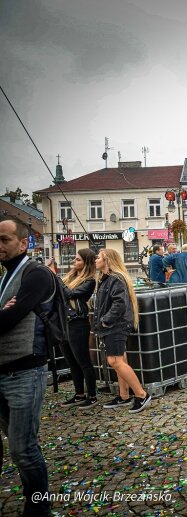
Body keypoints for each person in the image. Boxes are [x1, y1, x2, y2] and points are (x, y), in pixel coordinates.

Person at [0, 215, 54, 516]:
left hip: (24, 370)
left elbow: (10, 318)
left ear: (23, 243)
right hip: (2, 370)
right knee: (17, 447)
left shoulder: (35, 274)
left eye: (5, 239)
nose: (0, 245)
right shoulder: (5, 277)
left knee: (23, 448)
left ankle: (38, 509)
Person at [94, 249, 152, 413]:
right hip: (114, 325)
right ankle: (124, 395)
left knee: (115, 361)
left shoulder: (115, 279)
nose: (95, 260)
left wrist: (106, 321)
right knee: (119, 360)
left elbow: (119, 304)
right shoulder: (107, 278)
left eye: (98, 257)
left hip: (116, 325)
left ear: (107, 260)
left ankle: (141, 395)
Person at [59, 248, 98, 409]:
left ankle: (92, 395)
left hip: (78, 324)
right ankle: (79, 394)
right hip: (64, 323)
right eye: (74, 259)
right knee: (71, 362)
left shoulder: (90, 281)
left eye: (78, 260)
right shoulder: (70, 277)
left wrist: (57, 281)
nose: (74, 262)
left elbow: (70, 294)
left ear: (86, 263)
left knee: (83, 361)